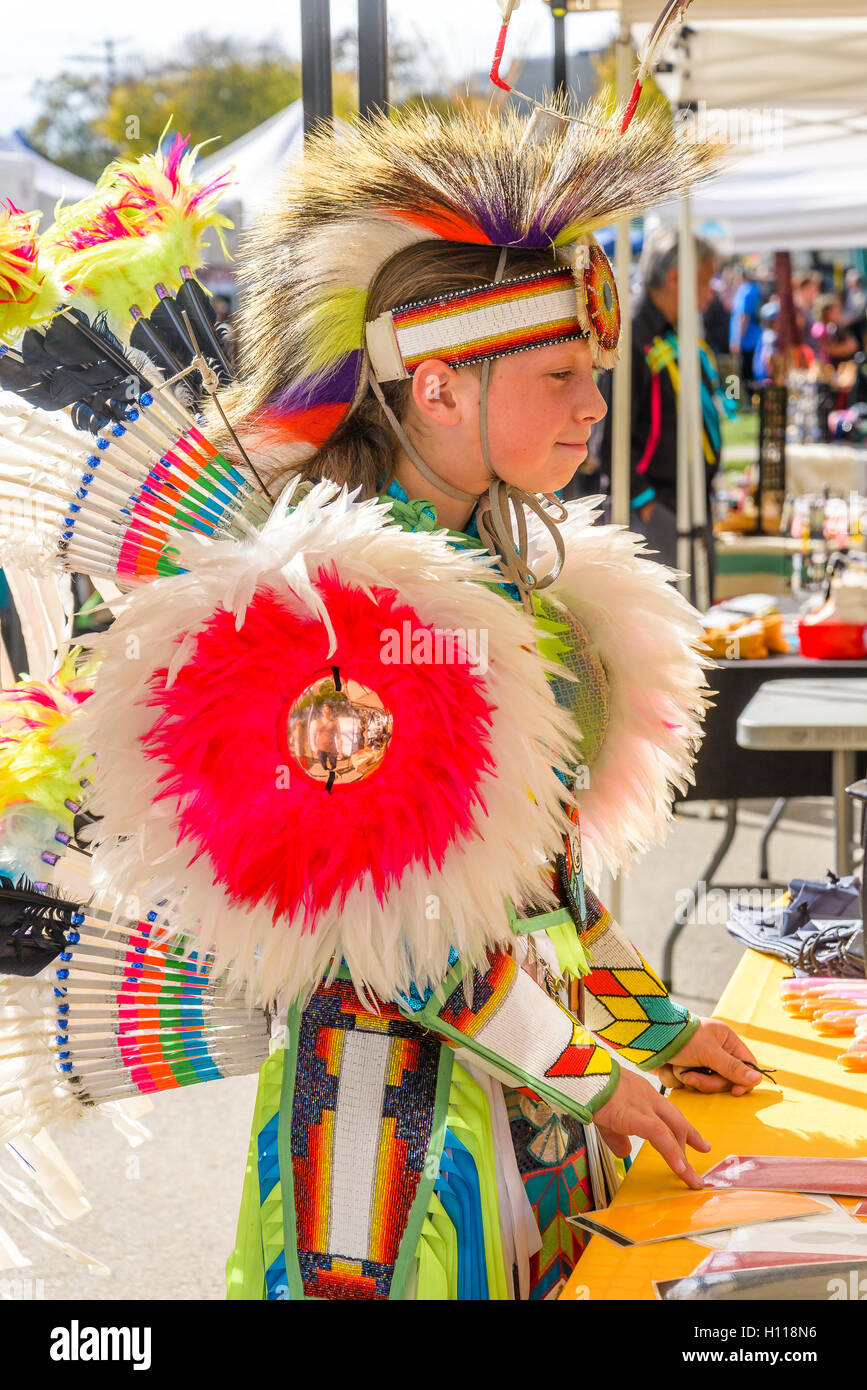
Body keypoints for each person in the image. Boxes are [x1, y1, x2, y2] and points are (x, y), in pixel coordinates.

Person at [0, 98, 761, 1303]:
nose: (593, 410)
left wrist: (656, 1030)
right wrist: (594, 1070)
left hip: (533, 1103)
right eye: (562, 374)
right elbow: (388, 931)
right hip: (389, 1145)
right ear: (442, 390)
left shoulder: (508, 576)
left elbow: (547, 878)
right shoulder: (342, 608)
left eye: (594, 376)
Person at [586, 224, 734, 602]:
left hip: (688, 501)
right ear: (675, 278)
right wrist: (646, 503)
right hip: (654, 508)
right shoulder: (633, 335)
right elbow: (609, 439)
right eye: (704, 285)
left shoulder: (674, 331)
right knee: (672, 626)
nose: (706, 299)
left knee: (698, 614)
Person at [729, 263, 763, 390]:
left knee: (746, 374)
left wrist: (737, 340)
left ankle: (751, 401)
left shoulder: (745, 291)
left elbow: (744, 316)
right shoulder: (754, 289)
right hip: (755, 338)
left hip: (747, 340)